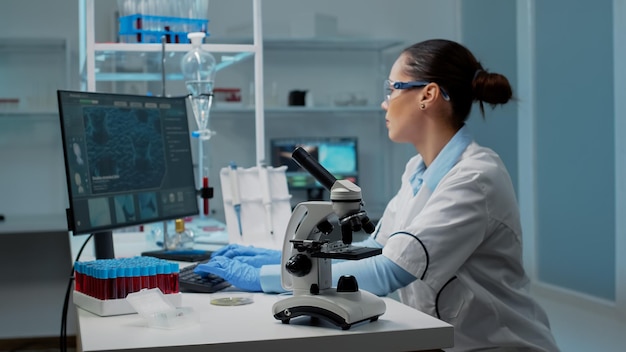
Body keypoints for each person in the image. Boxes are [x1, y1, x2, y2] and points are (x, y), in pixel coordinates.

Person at [195, 39, 560, 352]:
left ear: (428, 95)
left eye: (392, 89)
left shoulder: (476, 177)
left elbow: (388, 271)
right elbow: (377, 246)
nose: (385, 103)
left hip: (496, 345)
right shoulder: (418, 170)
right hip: (443, 337)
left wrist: (263, 277)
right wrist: (278, 256)